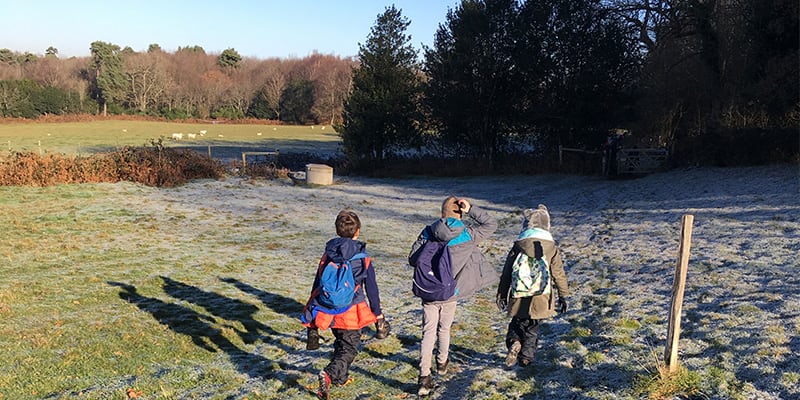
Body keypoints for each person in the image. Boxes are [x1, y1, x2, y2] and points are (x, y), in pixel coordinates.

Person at [408, 196, 498, 396]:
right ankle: (442, 363)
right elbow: (491, 224)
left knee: (427, 331)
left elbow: (413, 259)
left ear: (442, 213)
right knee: (444, 328)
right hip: (451, 292)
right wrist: (471, 209)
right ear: (460, 212)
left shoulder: (428, 232)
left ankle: (424, 377)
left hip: (429, 291)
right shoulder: (468, 234)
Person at [300, 210, 390, 400]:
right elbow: (372, 288)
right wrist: (378, 314)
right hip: (351, 309)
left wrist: (311, 310)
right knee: (349, 348)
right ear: (358, 231)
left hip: (328, 309)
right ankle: (330, 374)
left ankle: (341, 378)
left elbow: (318, 282)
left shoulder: (328, 254)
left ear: (337, 230)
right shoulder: (363, 257)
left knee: (341, 342)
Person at [496, 204, 569, 368]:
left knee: (517, 321)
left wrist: (502, 294)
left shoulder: (518, 245)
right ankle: (526, 358)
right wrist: (563, 295)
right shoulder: (551, 248)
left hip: (518, 292)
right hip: (540, 294)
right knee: (532, 326)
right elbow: (558, 273)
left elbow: (507, 271)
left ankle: (514, 341)